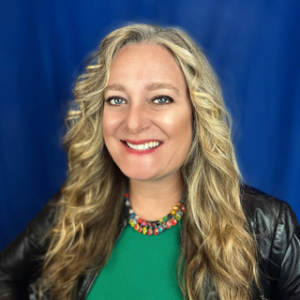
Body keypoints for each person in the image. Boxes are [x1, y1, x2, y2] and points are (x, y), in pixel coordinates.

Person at [0, 24, 299, 300]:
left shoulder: (271, 229)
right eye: (117, 99)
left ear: (197, 114)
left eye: (160, 99)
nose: (133, 123)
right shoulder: (76, 208)